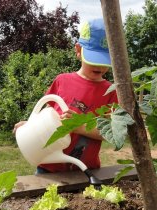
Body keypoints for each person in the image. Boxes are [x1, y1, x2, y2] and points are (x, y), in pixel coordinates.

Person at [13, 18, 118, 173]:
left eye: (105, 61)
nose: (100, 66)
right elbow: (47, 115)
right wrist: (30, 125)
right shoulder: (62, 80)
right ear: (78, 50)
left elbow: (112, 134)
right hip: (48, 164)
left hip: (84, 170)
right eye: (94, 59)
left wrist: (79, 127)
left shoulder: (110, 91)